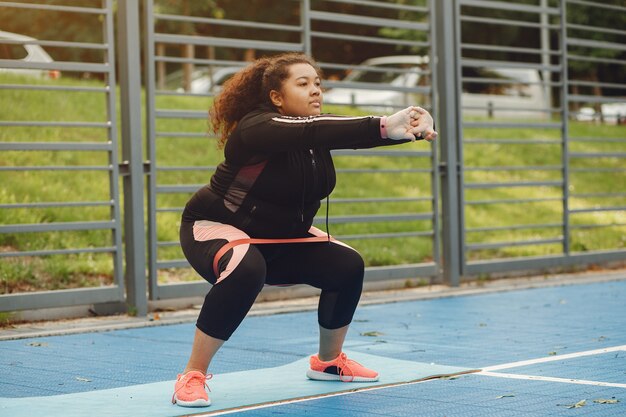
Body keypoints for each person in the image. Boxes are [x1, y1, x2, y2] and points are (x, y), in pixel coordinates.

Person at [172, 52, 437, 407]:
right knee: (247, 267)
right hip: (217, 227)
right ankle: (192, 375)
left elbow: (336, 131)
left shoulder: (315, 132)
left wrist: (410, 127)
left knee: (347, 265)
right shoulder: (256, 128)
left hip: (281, 237)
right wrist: (385, 124)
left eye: (317, 83)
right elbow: (316, 128)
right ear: (276, 97)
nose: (315, 90)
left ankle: (328, 362)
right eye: (303, 84)